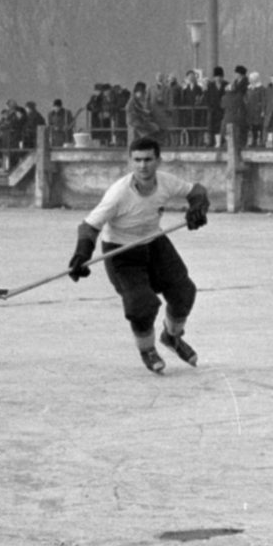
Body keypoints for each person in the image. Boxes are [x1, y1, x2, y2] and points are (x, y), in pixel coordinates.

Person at [68, 135, 210, 374]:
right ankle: (147, 349)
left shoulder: (165, 182)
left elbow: (196, 190)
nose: (143, 166)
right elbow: (90, 226)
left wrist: (198, 207)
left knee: (184, 290)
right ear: (130, 162)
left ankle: (172, 337)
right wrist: (82, 254)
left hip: (154, 243)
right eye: (137, 160)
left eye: (148, 160)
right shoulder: (119, 193)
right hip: (121, 252)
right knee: (141, 305)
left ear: (158, 161)